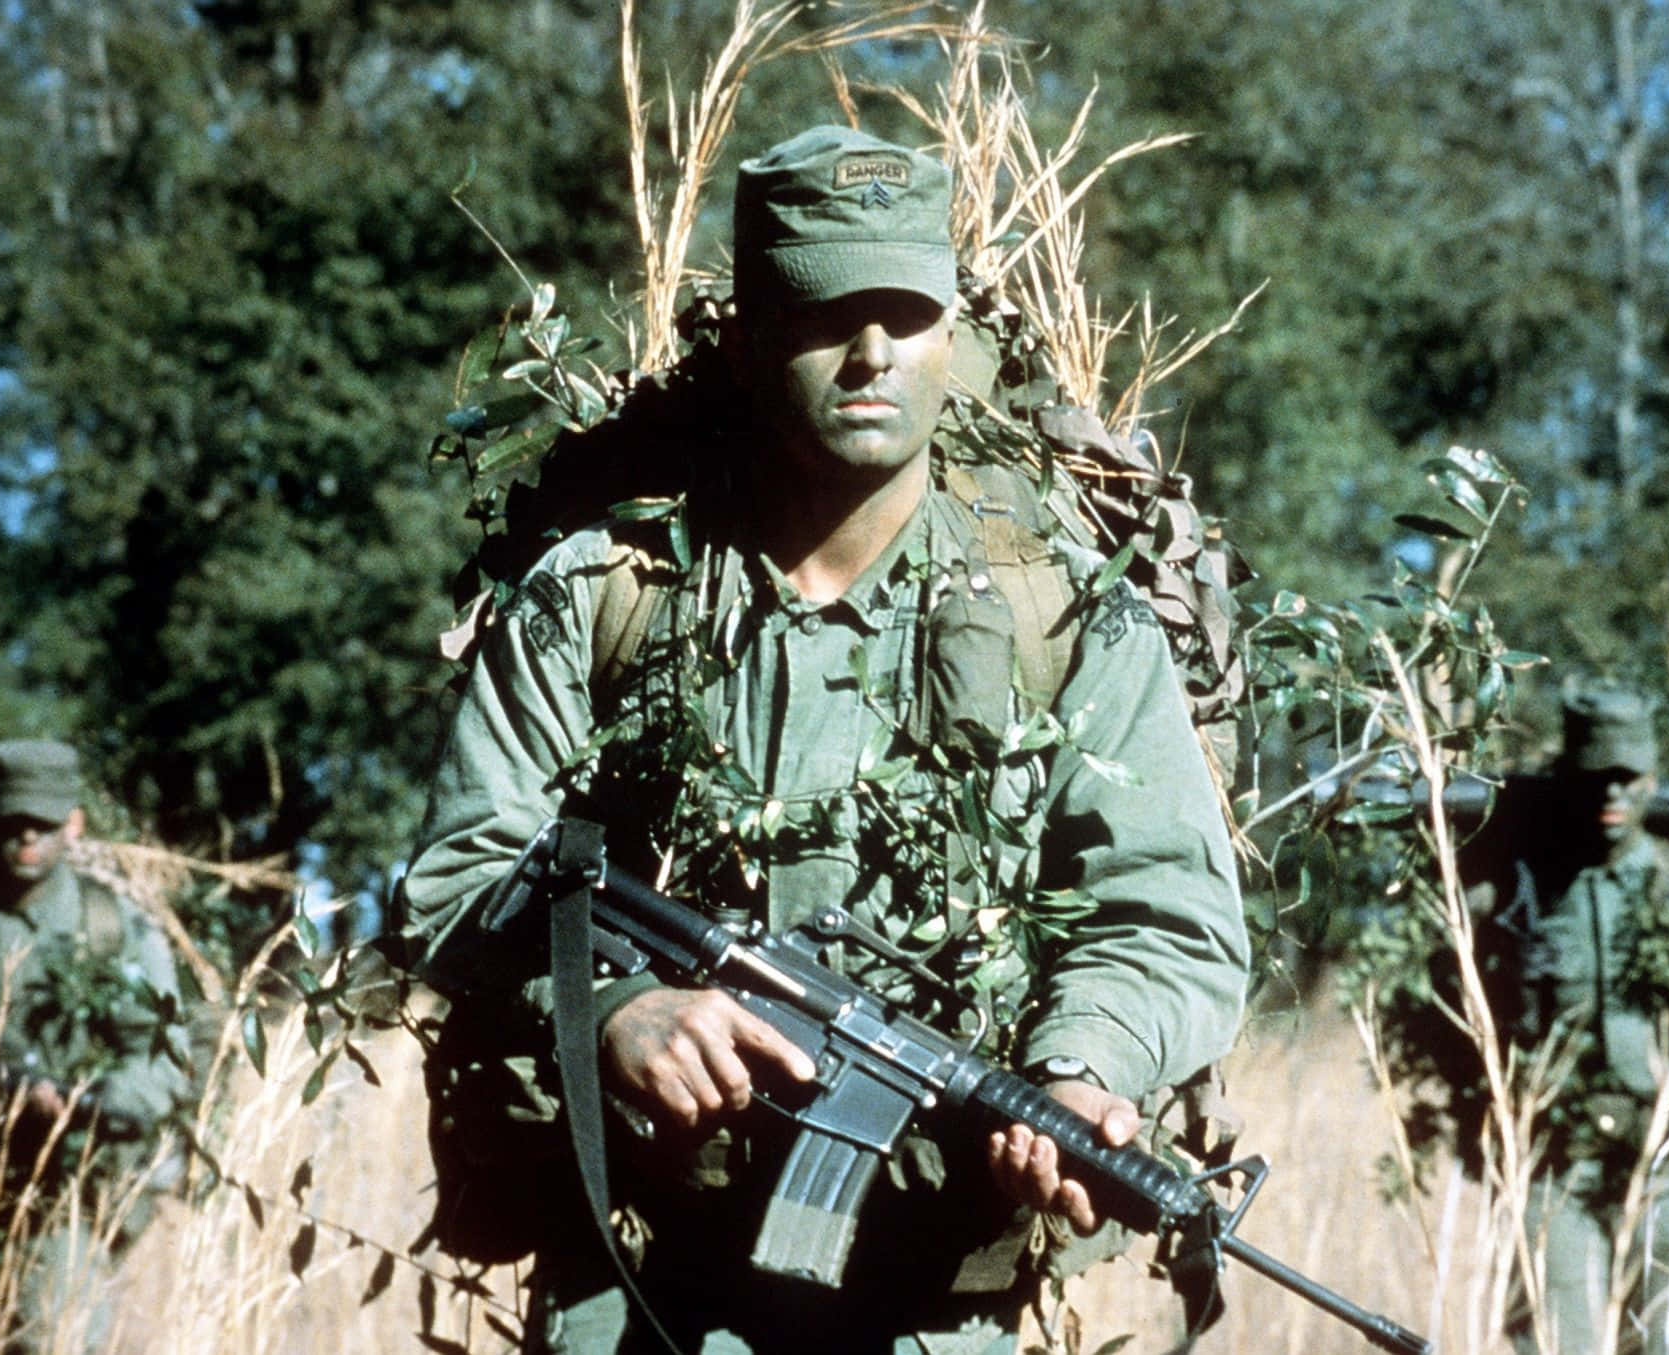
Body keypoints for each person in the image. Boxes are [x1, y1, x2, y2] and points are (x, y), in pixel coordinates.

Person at [395, 124, 1250, 1355]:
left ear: (950, 333)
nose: (870, 355)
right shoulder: (603, 591)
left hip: (929, 1293)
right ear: (747, 337)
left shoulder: (1067, 616)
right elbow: (458, 873)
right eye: (824, 314)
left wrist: (1077, 1066)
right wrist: (616, 1007)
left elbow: (1164, 909)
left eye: (904, 313)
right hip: (638, 1273)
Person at [1468, 685, 1669, 1355]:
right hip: (1555, 1158)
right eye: (1595, 778)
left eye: (1629, 778)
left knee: (1666, 1339)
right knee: (1550, 1336)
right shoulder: (1521, 887)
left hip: (1668, 1152)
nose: (1612, 794)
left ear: (1653, 778)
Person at [0, 738, 188, 1341]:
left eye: (43, 824)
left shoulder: (110, 927)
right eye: (12, 823)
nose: (27, 837)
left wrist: (81, 1102)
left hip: (53, 1188)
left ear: (73, 824)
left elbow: (162, 1059)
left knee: (55, 1335)